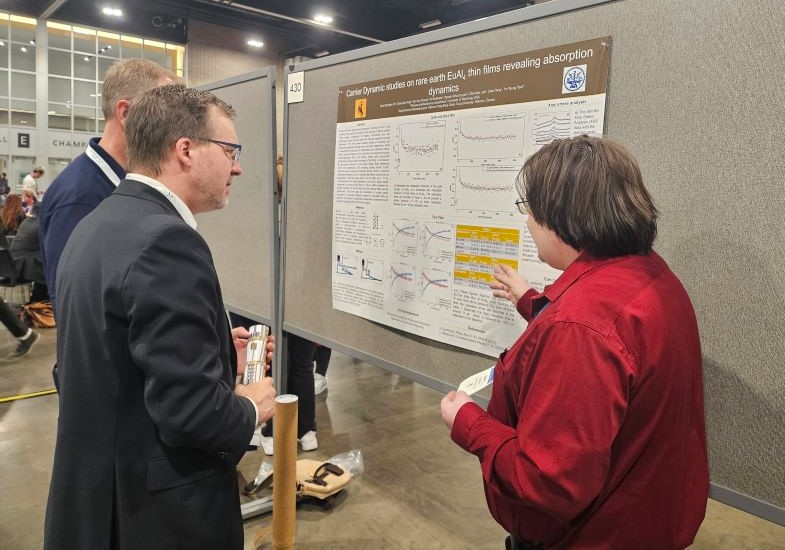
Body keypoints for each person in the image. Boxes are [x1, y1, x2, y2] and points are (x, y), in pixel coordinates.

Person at [440, 135, 709, 549]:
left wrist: (469, 424)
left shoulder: (579, 326)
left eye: (530, 209)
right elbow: (615, 345)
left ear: (560, 217)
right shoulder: (651, 275)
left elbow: (549, 483)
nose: (528, 222)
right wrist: (533, 302)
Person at [44, 84, 277, 549]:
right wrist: (252, 405)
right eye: (230, 149)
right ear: (186, 150)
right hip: (154, 517)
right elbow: (190, 415)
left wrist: (212, 354)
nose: (238, 166)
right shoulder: (167, 242)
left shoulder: (96, 223)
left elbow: (98, 362)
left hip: (94, 502)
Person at [39, 58, 177, 312]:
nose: (172, 127)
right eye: (163, 113)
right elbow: (75, 305)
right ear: (125, 113)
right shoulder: (81, 195)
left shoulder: (122, 183)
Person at [10, 202, 49, 302]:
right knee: (49, 268)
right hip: (22, 267)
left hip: (12, 265)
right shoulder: (41, 225)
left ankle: (38, 300)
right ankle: (39, 302)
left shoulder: (26, 222)